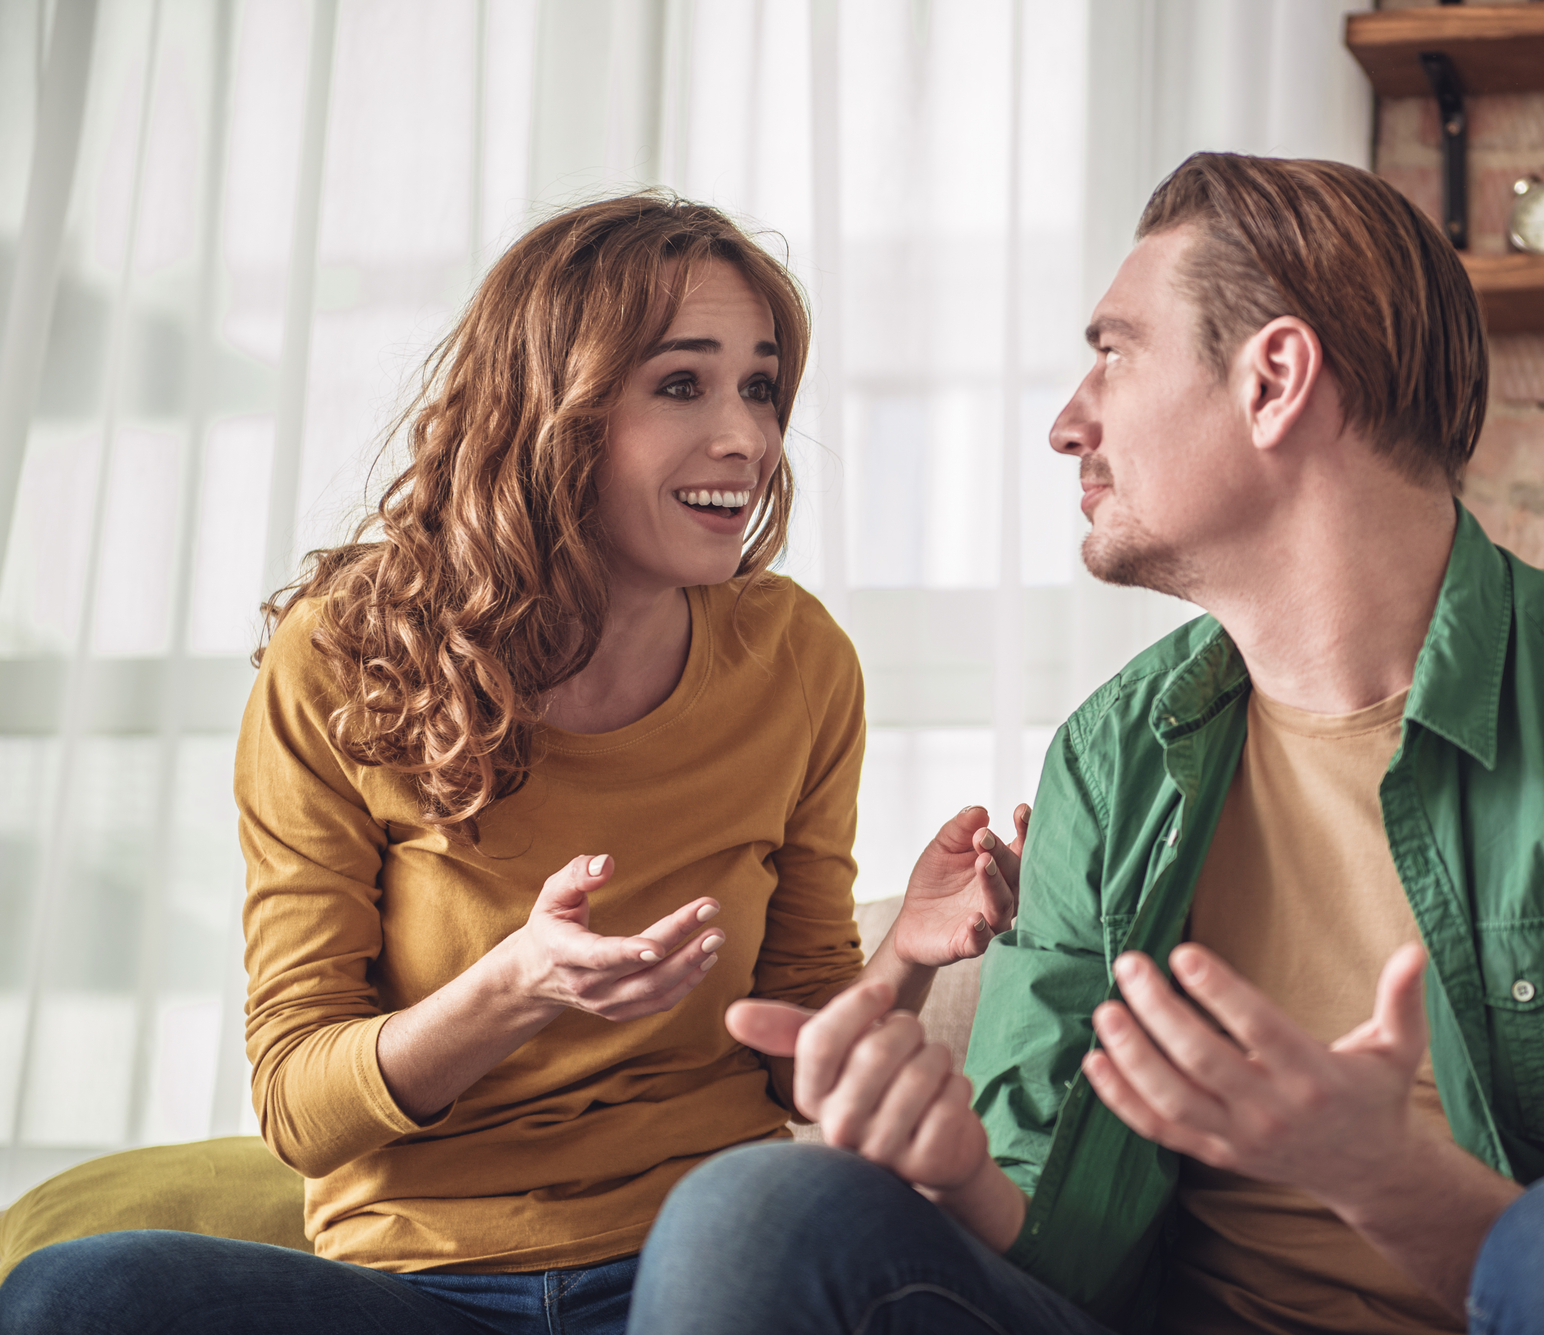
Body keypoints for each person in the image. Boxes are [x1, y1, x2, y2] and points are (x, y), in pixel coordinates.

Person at [636, 154, 1544, 1335]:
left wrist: (1374, 1170)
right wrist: (958, 1174)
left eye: (1115, 357)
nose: (1067, 423)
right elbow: (1060, 1254)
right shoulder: (1113, 758)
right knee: (754, 1210)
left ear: (1274, 379)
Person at [0, 194, 1025, 1335]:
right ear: (553, 408)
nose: (744, 434)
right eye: (681, 384)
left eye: (760, 386)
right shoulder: (342, 655)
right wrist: (516, 988)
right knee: (72, 1295)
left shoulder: (795, 659)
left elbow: (796, 1051)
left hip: (694, 1273)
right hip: (423, 1291)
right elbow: (299, 1103)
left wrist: (909, 958)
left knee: (758, 1215)